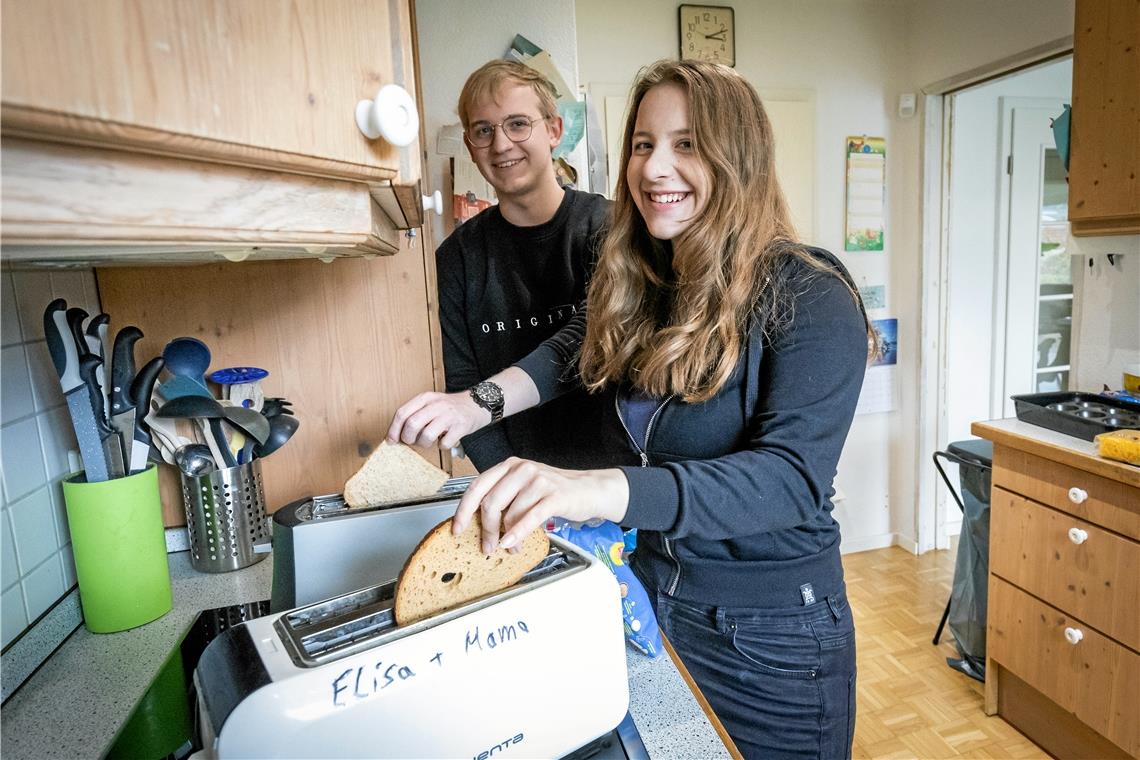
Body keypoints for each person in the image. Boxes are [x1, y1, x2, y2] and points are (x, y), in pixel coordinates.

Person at [390, 59, 874, 760]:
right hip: (651, 595)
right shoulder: (655, 284)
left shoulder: (809, 291)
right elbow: (574, 352)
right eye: (644, 144)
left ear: (739, 156)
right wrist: (478, 405)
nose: (654, 168)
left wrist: (595, 490)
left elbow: (788, 479)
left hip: (771, 635)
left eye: (687, 144)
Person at [437, 59, 611, 471]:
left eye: (518, 124)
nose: (500, 145)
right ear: (469, 145)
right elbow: (463, 384)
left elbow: (592, 341)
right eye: (484, 130)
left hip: (615, 483)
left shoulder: (611, 229)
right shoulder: (456, 258)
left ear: (553, 130)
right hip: (518, 480)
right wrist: (506, 484)